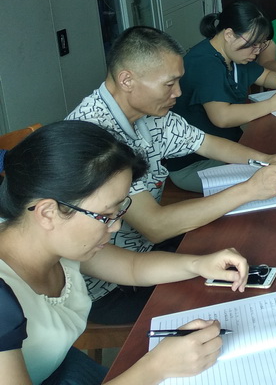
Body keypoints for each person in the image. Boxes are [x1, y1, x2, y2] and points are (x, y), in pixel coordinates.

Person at [66, 26, 276, 324]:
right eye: (169, 84)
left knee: (250, 249)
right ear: (127, 80)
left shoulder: (148, 113)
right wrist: (249, 189)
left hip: (147, 253)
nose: (178, 92)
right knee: (229, 301)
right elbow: (155, 226)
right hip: (109, 286)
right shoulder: (95, 139)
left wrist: (264, 159)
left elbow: (206, 142)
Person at [0, 120, 250, 385]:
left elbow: (132, 267)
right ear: (48, 213)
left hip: (62, 366)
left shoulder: (48, 239)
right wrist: (157, 367)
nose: (116, 225)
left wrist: (198, 264)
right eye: (106, 215)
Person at [165, 1, 276, 191]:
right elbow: (222, 117)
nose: (257, 52)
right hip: (195, 164)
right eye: (253, 45)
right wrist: (272, 104)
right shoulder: (205, 63)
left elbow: (265, 75)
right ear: (229, 35)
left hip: (227, 146)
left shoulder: (234, 55)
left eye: (262, 44)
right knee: (274, 177)